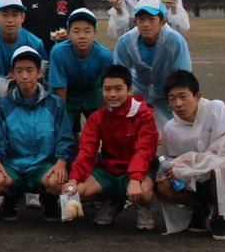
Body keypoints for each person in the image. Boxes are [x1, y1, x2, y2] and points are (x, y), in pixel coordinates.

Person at [155, 70, 225, 240]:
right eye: (172, 99)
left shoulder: (215, 109)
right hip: (193, 181)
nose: (178, 104)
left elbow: (222, 152)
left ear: (198, 96)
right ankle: (200, 208)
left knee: (219, 167)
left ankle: (219, 217)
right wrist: (172, 168)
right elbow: (170, 160)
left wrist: (183, 164)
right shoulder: (170, 128)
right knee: (162, 183)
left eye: (183, 97)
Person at [62, 65, 159, 230]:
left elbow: (144, 151)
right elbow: (86, 150)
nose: (112, 94)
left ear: (129, 90)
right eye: (107, 89)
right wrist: (73, 179)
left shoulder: (144, 115)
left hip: (138, 170)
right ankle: (114, 200)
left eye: (118, 89)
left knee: (142, 192)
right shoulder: (98, 117)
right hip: (111, 169)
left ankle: (142, 206)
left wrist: (135, 180)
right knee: (79, 190)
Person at [0, 47, 75, 222]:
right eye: (19, 71)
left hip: (44, 165)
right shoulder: (3, 105)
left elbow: (65, 138)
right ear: (12, 74)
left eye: (30, 70)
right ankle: (11, 197)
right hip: (13, 164)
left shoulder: (54, 103)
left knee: (58, 180)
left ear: (39, 73)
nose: (24, 76)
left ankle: (49, 199)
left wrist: (61, 162)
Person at [112, 0, 192, 132]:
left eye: (152, 19)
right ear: (135, 21)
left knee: (175, 132)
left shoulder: (176, 41)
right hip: (138, 90)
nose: (146, 24)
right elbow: (119, 75)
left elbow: (183, 76)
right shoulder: (125, 41)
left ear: (163, 21)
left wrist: (177, 100)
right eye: (141, 19)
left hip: (167, 92)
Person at [47, 8, 115, 141]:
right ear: (68, 33)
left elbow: (107, 88)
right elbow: (59, 89)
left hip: (92, 91)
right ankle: (65, 155)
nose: (82, 36)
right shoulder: (58, 52)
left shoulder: (105, 55)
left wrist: (101, 119)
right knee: (62, 130)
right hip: (68, 91)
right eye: (76, 31)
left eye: (87, 31)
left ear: (95, 32)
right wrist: (62, 121)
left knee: (100, 129)